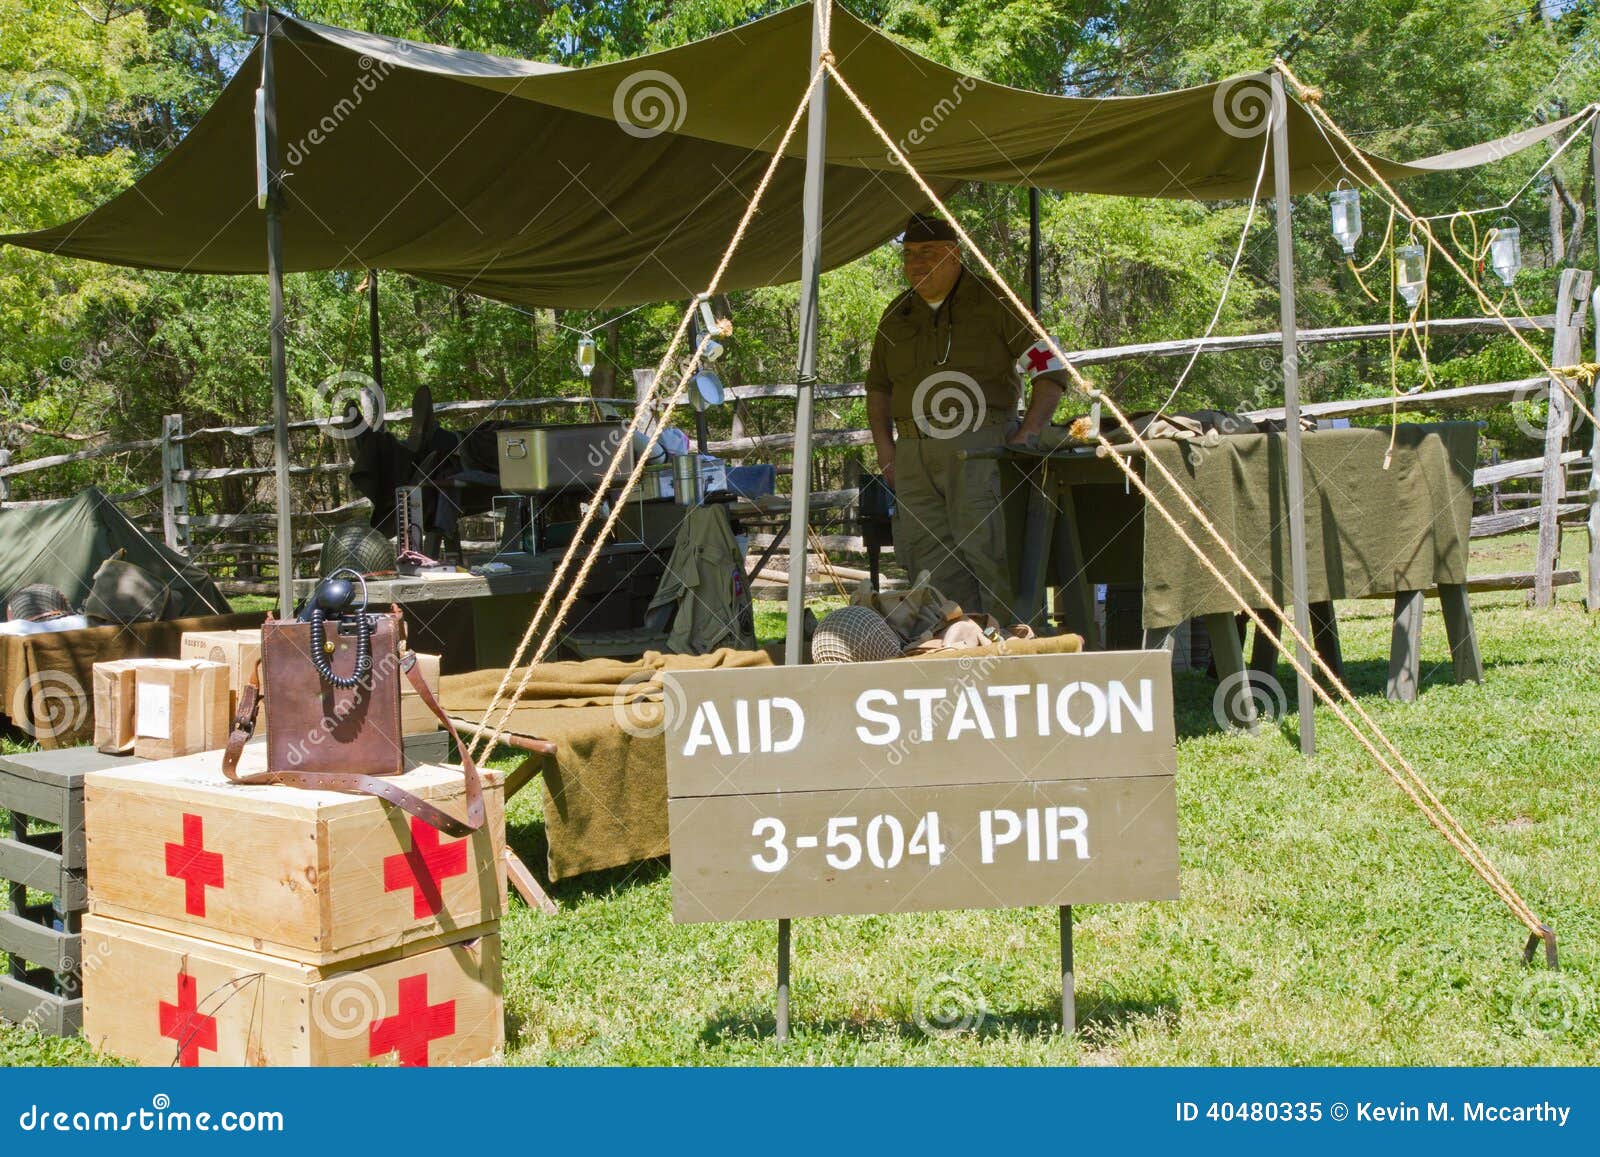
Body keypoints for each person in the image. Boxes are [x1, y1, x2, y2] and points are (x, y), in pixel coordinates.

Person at [865, 213, 1067, 621]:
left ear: (954, 255)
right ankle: (955, 647)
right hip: (913, 456)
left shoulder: (995, 303)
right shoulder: (896, 315)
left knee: (992, 551)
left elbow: (1050, 370)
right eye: (908, 255)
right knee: (928, 560)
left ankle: (1013, 649)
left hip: (979, 449)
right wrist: (886, 450)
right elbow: (879, 389)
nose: (916, 264)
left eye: (928, 253)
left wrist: (1027, 434)